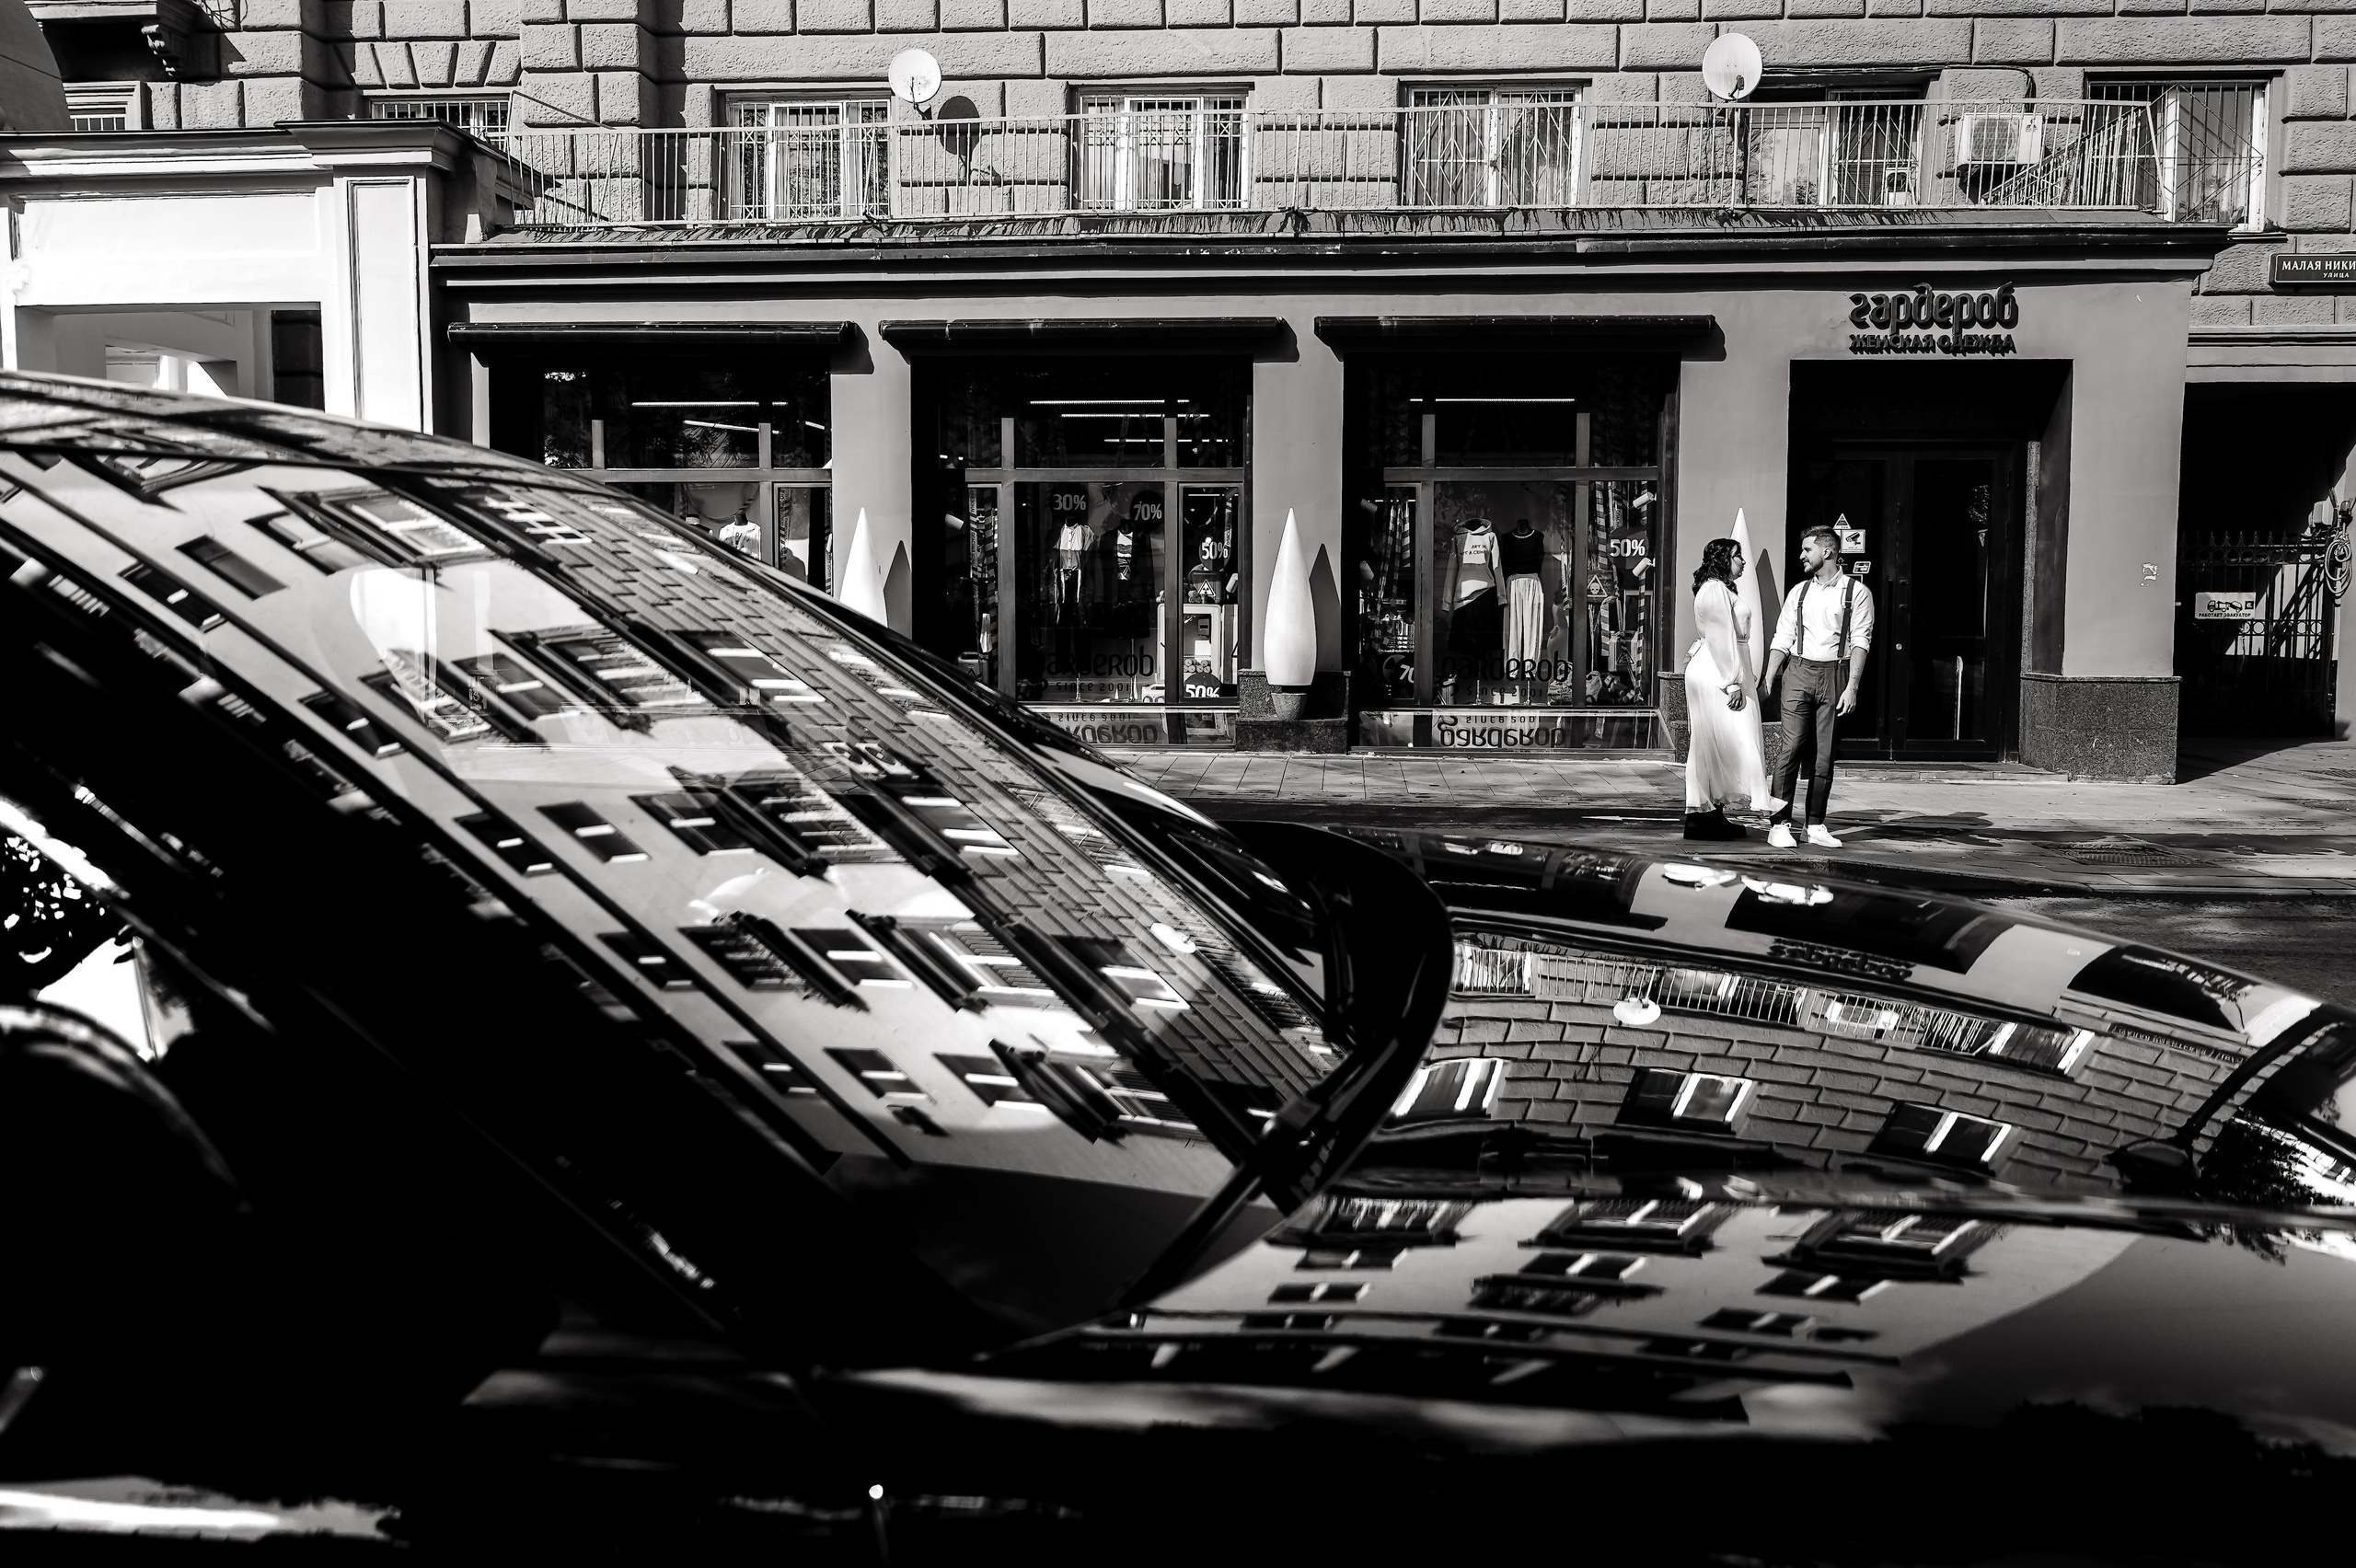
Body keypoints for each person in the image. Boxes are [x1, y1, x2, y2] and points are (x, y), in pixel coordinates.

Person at [1761, 524, 1875, 849]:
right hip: (1798, 672)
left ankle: (1815, 824)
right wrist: (1770, 676)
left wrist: (1852, 686)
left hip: (1835, 674)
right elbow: (1782, 637)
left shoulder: (1857, 592)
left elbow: (1860, 641)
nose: (1801, 555)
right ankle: (1779, 823)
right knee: (1791, 748)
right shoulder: (1799, 592)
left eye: (1806, 549)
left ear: (1827, 552)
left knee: (1825, 755)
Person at [1682, 537, 1781, 840]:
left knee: (1720, 743)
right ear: (1724, 560)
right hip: (1719, 673)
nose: (1743, 562)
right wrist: (1732, 682)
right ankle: (1700, 817)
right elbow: (1720, 638)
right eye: (1738, 557)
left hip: (1725, 669)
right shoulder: (1714, 590)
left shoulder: (1719, 589)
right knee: (1713, 742)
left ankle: (1711, 814)